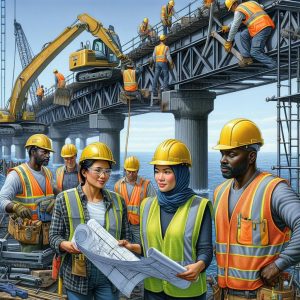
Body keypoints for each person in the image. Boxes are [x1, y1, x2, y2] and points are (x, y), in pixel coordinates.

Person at [213, 118, 300, 298]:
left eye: (231, 154)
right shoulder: (219, 193)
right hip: (224, 294)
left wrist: (280, 264)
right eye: (222, 153)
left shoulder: (274, 190)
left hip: (260, 294)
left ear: (251, 156)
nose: (223, 160)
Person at [119, 139, 213, 299]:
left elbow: (205, 250)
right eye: (157, 171)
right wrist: (132, 247)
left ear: (181, 173)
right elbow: (148, 247)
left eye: (167, 171)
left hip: (187, 290)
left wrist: (199, 266)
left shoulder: (199, 206)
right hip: (153, 289)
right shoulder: (147, 205)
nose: (160, 177)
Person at [49, 142, 131, 300]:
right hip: (77, 276)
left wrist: (124, 245)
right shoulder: (64, 199)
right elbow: (53, 237)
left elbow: (127, 236)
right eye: (98, 170)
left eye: (107, 171)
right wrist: (65, 245)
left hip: (109, 276)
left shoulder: (118, 202)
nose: (103, 176)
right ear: (85, 171)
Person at [0, 134, 57, 252]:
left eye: (49, 153)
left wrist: (58, 200)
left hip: (47, 234)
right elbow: (2, 199)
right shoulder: (17, 174)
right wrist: (16, 207)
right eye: (44, 152)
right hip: (28, 236)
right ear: (32, 152)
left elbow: (58, 193)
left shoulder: (48, 173)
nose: (48, 156)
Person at [222, 0, 276, 68]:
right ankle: (247, 57)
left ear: (234, 5)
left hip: (261, 29)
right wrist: (228, 26)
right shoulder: (251, 3)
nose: (232, 10)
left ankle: (276, 66)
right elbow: (261, 6)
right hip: (264, 25)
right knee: (242, 35)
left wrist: (229, 41)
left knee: (255, 52)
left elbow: (235, 27)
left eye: (231, 8)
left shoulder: (238, 11)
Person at [114, 156, 156, 244]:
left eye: (134, 171)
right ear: (125, 170)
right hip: (124, 225)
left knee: (141, 248)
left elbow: (155, 206)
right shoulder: (118, 185)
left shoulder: (146, 185)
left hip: (140, 226)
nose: (131, 174)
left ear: (138, 170)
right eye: (129, 171)